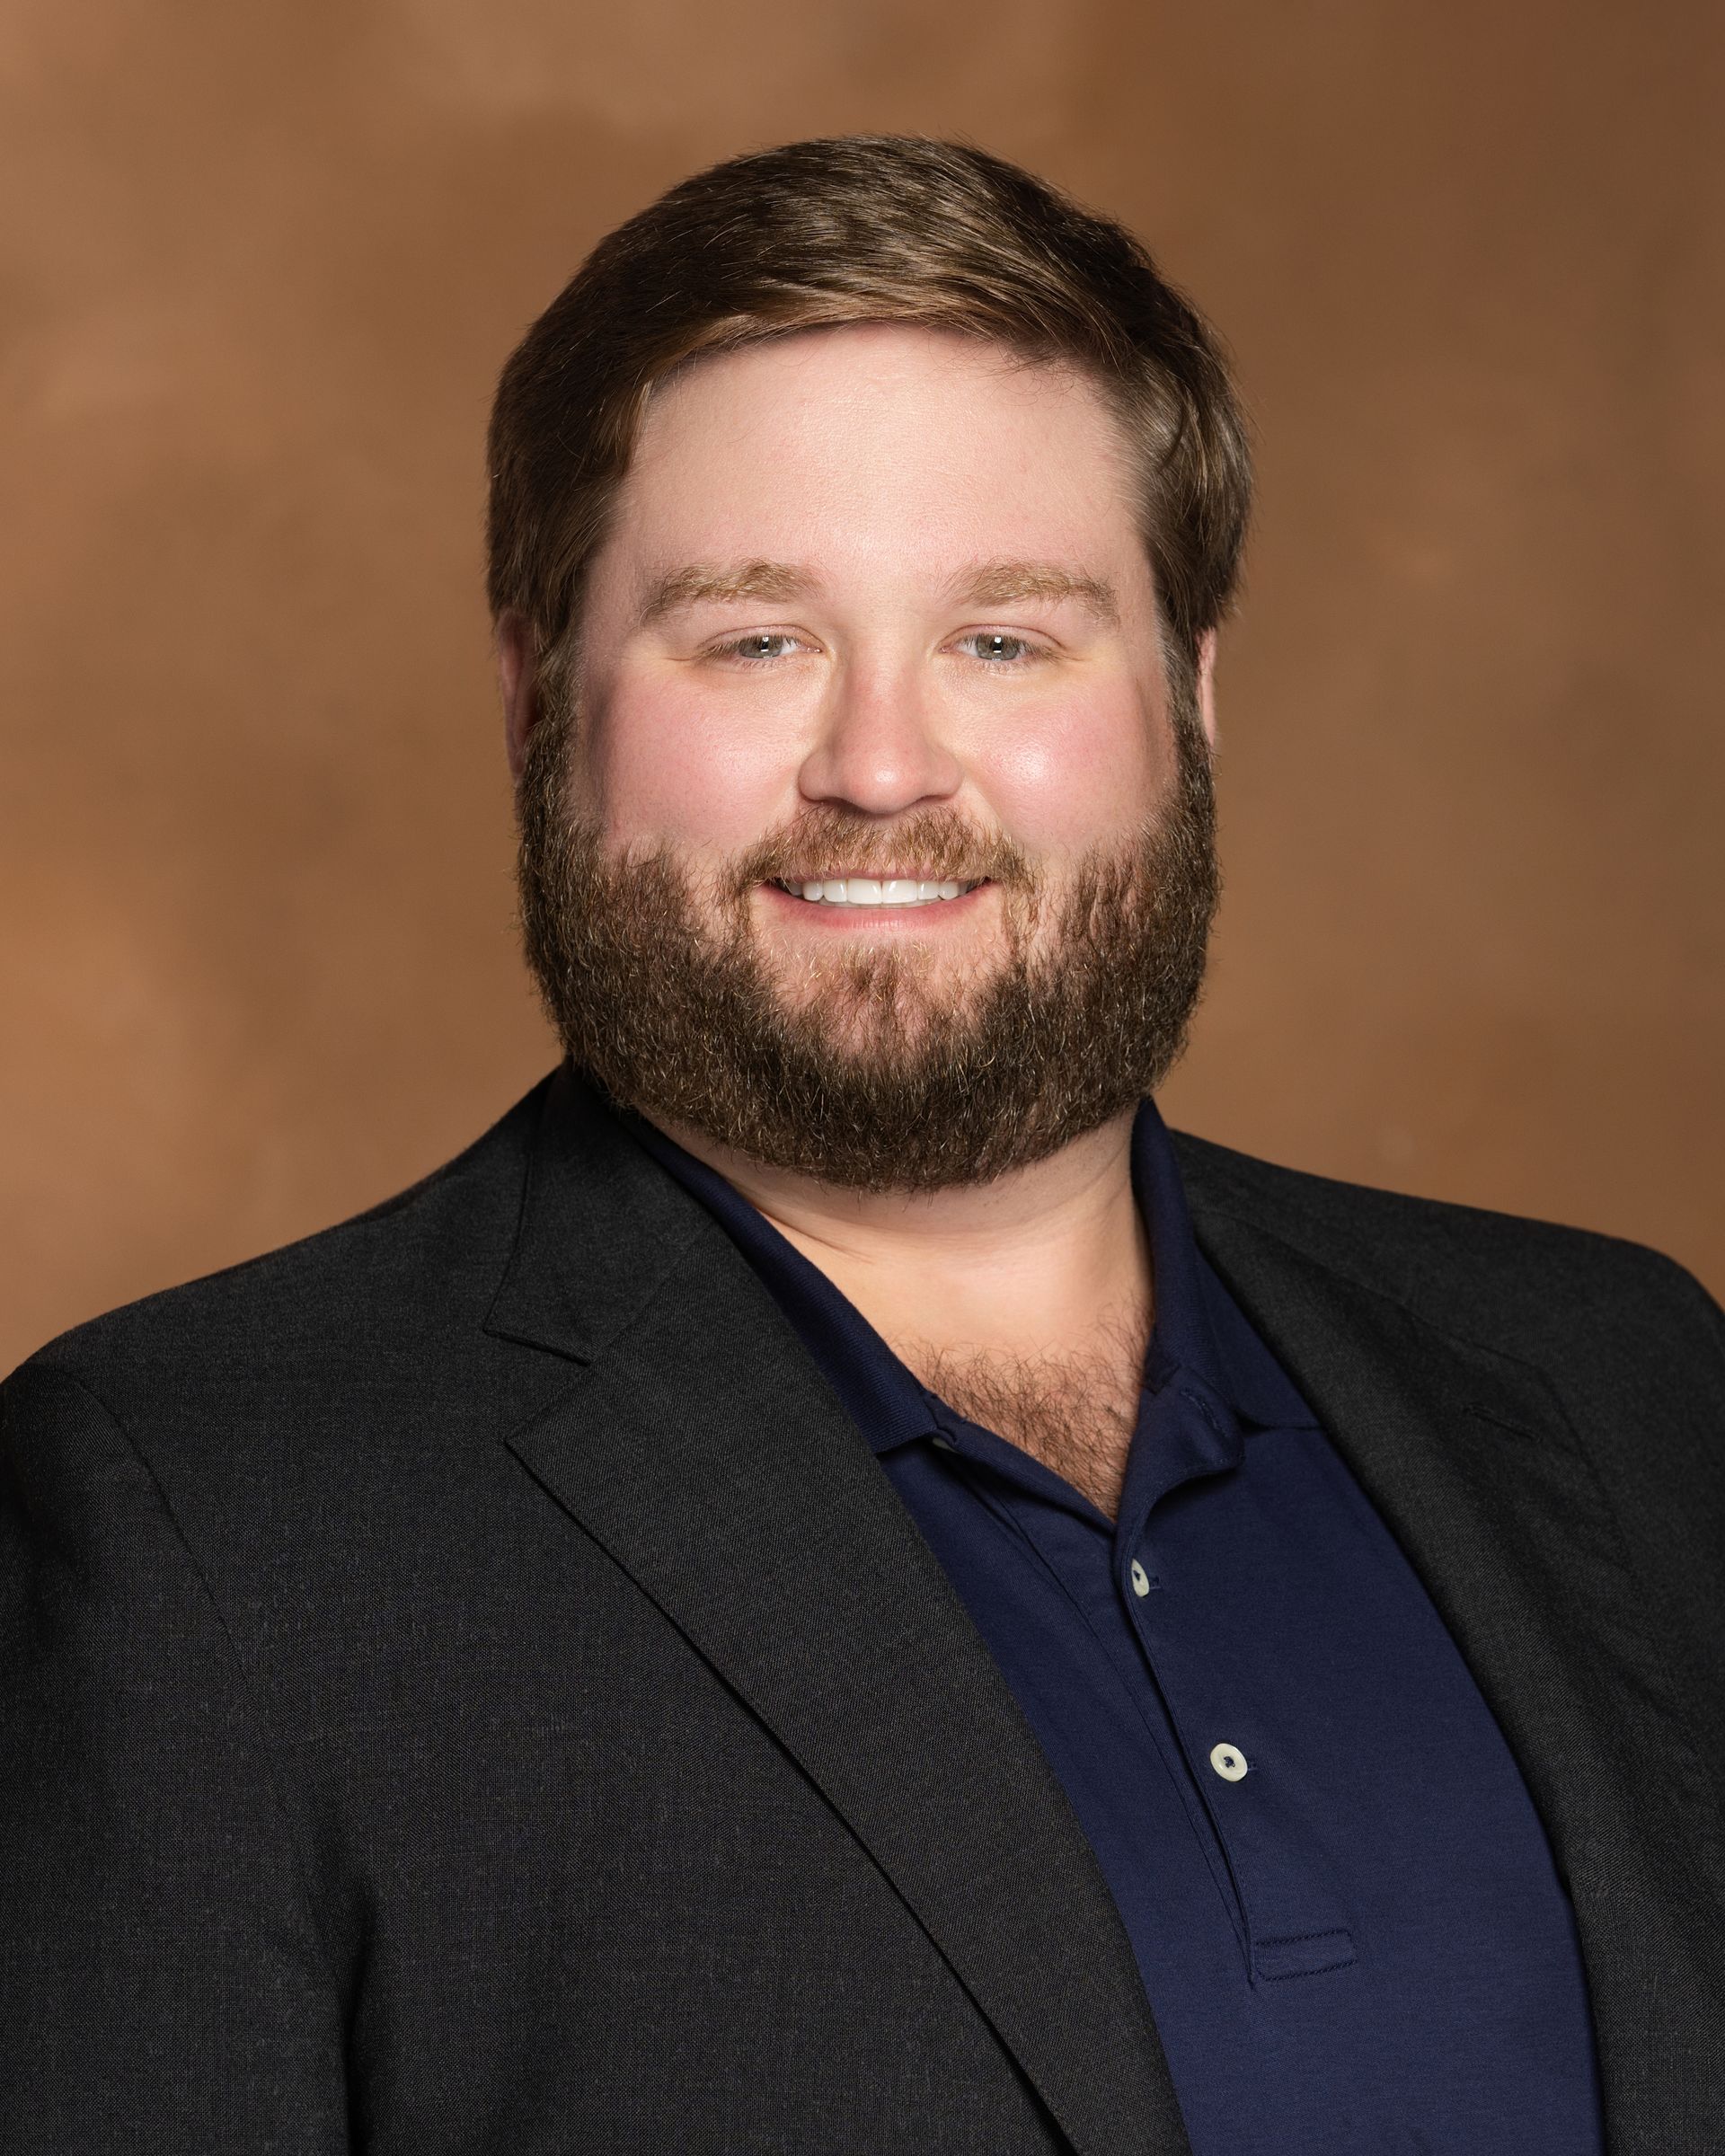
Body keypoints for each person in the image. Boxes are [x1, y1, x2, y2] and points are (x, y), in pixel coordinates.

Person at [3, 135, 1721, 2156]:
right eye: (753, 639)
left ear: (1189, 701)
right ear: (535, 699)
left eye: (1007, 638)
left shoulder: (1623, 1382)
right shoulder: (198, 1518)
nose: (883, 769)